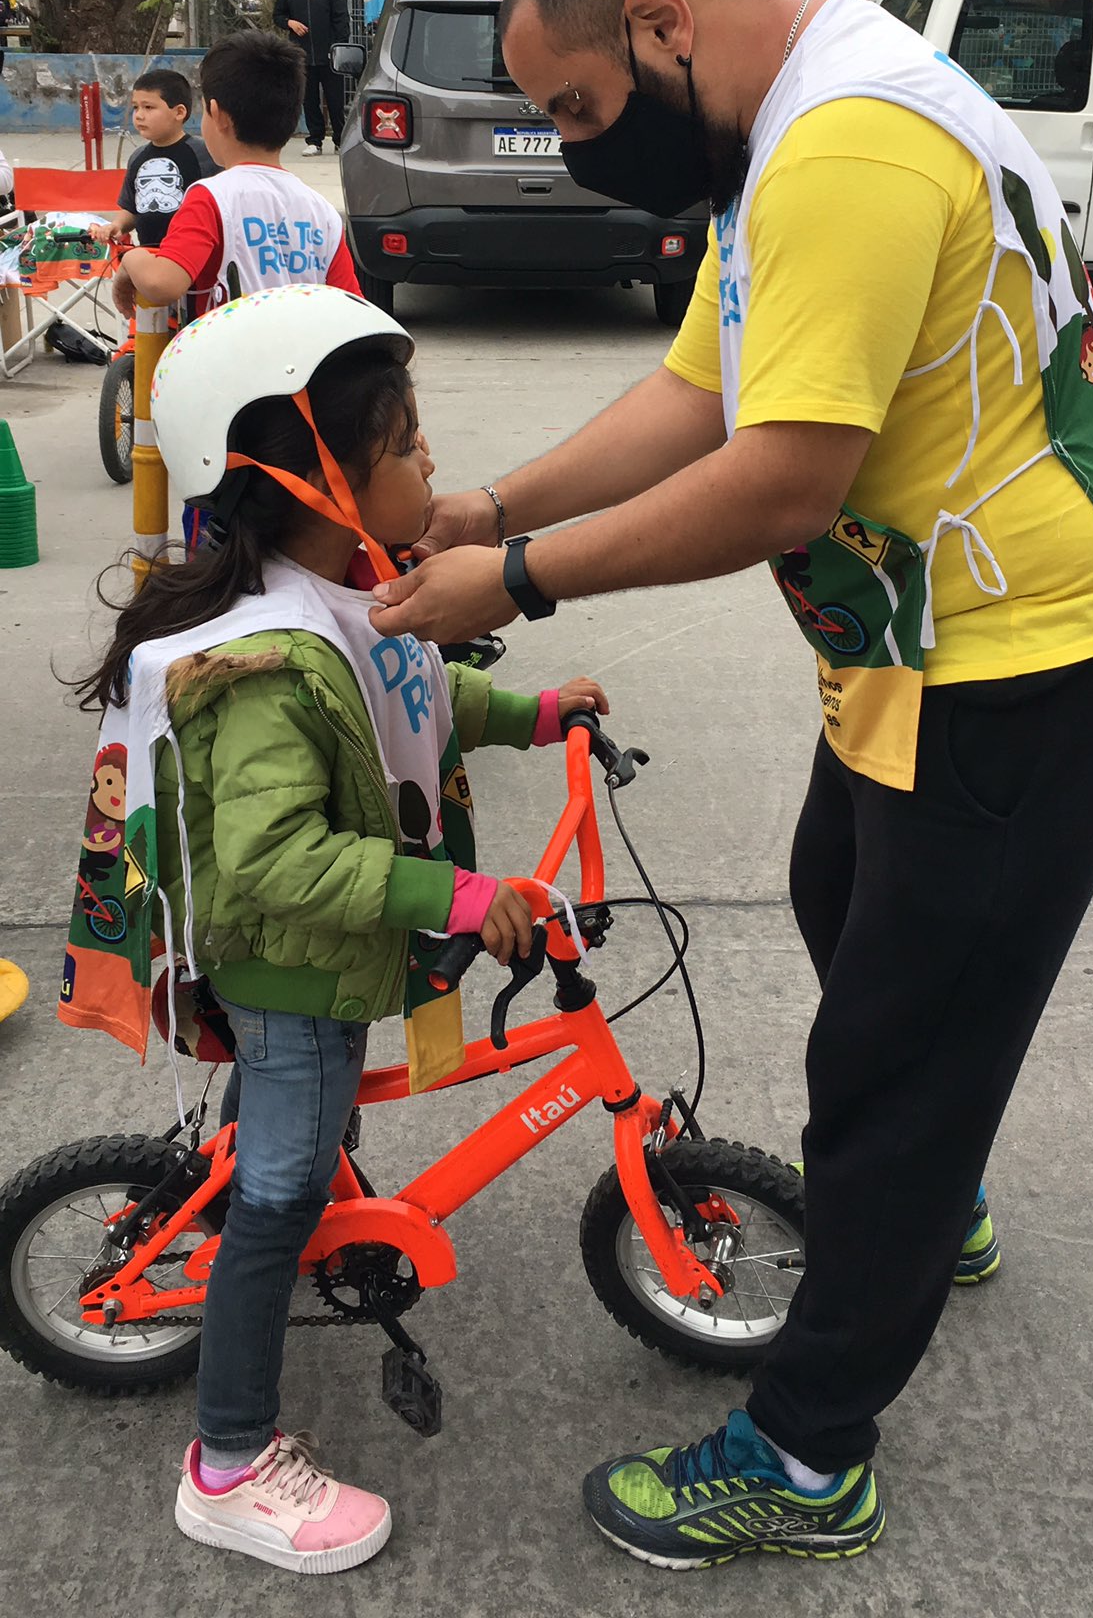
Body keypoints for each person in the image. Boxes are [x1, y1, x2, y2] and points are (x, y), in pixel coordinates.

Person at [367, 0, 1093, 1567]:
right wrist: (492, 505)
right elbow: (698, 392)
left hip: (1018, 671)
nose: (584, 148)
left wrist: (516, 578)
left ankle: (807, 1455)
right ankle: (921, 1195)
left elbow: (779, 477)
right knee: (837, 899)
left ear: (662, 21)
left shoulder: (846, 146)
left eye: (582, 107)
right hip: (918, 651)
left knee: (891, 1062)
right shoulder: (789, 113)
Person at [76, 284, 608, 1574]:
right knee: (285, 1191)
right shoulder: (267, 660)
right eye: (405, 440)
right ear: (315, 478)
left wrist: (536, 712)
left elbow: (419, 695)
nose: (431, 458)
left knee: (301, 1138)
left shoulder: (347, 592)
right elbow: (277, 862)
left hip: (319, 961)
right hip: (291, 971)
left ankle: (265, 1183)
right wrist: (457, 895)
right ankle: (229, 1463)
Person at [111, 31, 361, 326]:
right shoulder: (322, 212)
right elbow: (351, 308)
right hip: (305, 353)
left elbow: (162, 283)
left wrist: (131, 259)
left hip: (227, 353)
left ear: (217, 115)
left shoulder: (210, 198)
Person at [90, 69, 215, 252]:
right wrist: (116, 226)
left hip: (191, 256)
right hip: (148, 255)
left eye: (148, 107)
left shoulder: (205, 153)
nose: (139, 115)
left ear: (179, 112)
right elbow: (132, 209)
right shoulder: (137, 158)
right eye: (136, 107)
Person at [272, 0, 351, 155]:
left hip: (329, 55)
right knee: (309, 99)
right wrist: (290, 23)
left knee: (335, 100)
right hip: (303, 55)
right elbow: (277, 15)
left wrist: (337, 48)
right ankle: (315, 140)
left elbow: (341, 20)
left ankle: (340, 139)